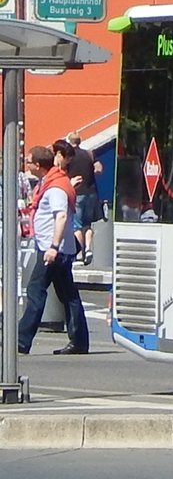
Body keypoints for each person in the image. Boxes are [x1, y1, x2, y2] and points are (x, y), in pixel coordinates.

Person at [17, 145, 89, 355]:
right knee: (68, 294)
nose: (27, 163)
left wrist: (54, 247)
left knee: (36, 290)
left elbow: (62, 216)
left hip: (53, 249)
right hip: (56, 248)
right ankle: (79, 341)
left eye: (29, 160)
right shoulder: (51, 182)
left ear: (38, 165)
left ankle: (22, 340)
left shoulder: (55, 187)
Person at [65, 131, 102, 265]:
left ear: (69, 141)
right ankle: (88, 248)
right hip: (91, 192)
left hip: (77, 193)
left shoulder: (69, 157)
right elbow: (99, 169)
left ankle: (80, 253)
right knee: (87, 224)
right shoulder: (89, 154)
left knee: (76, 226)